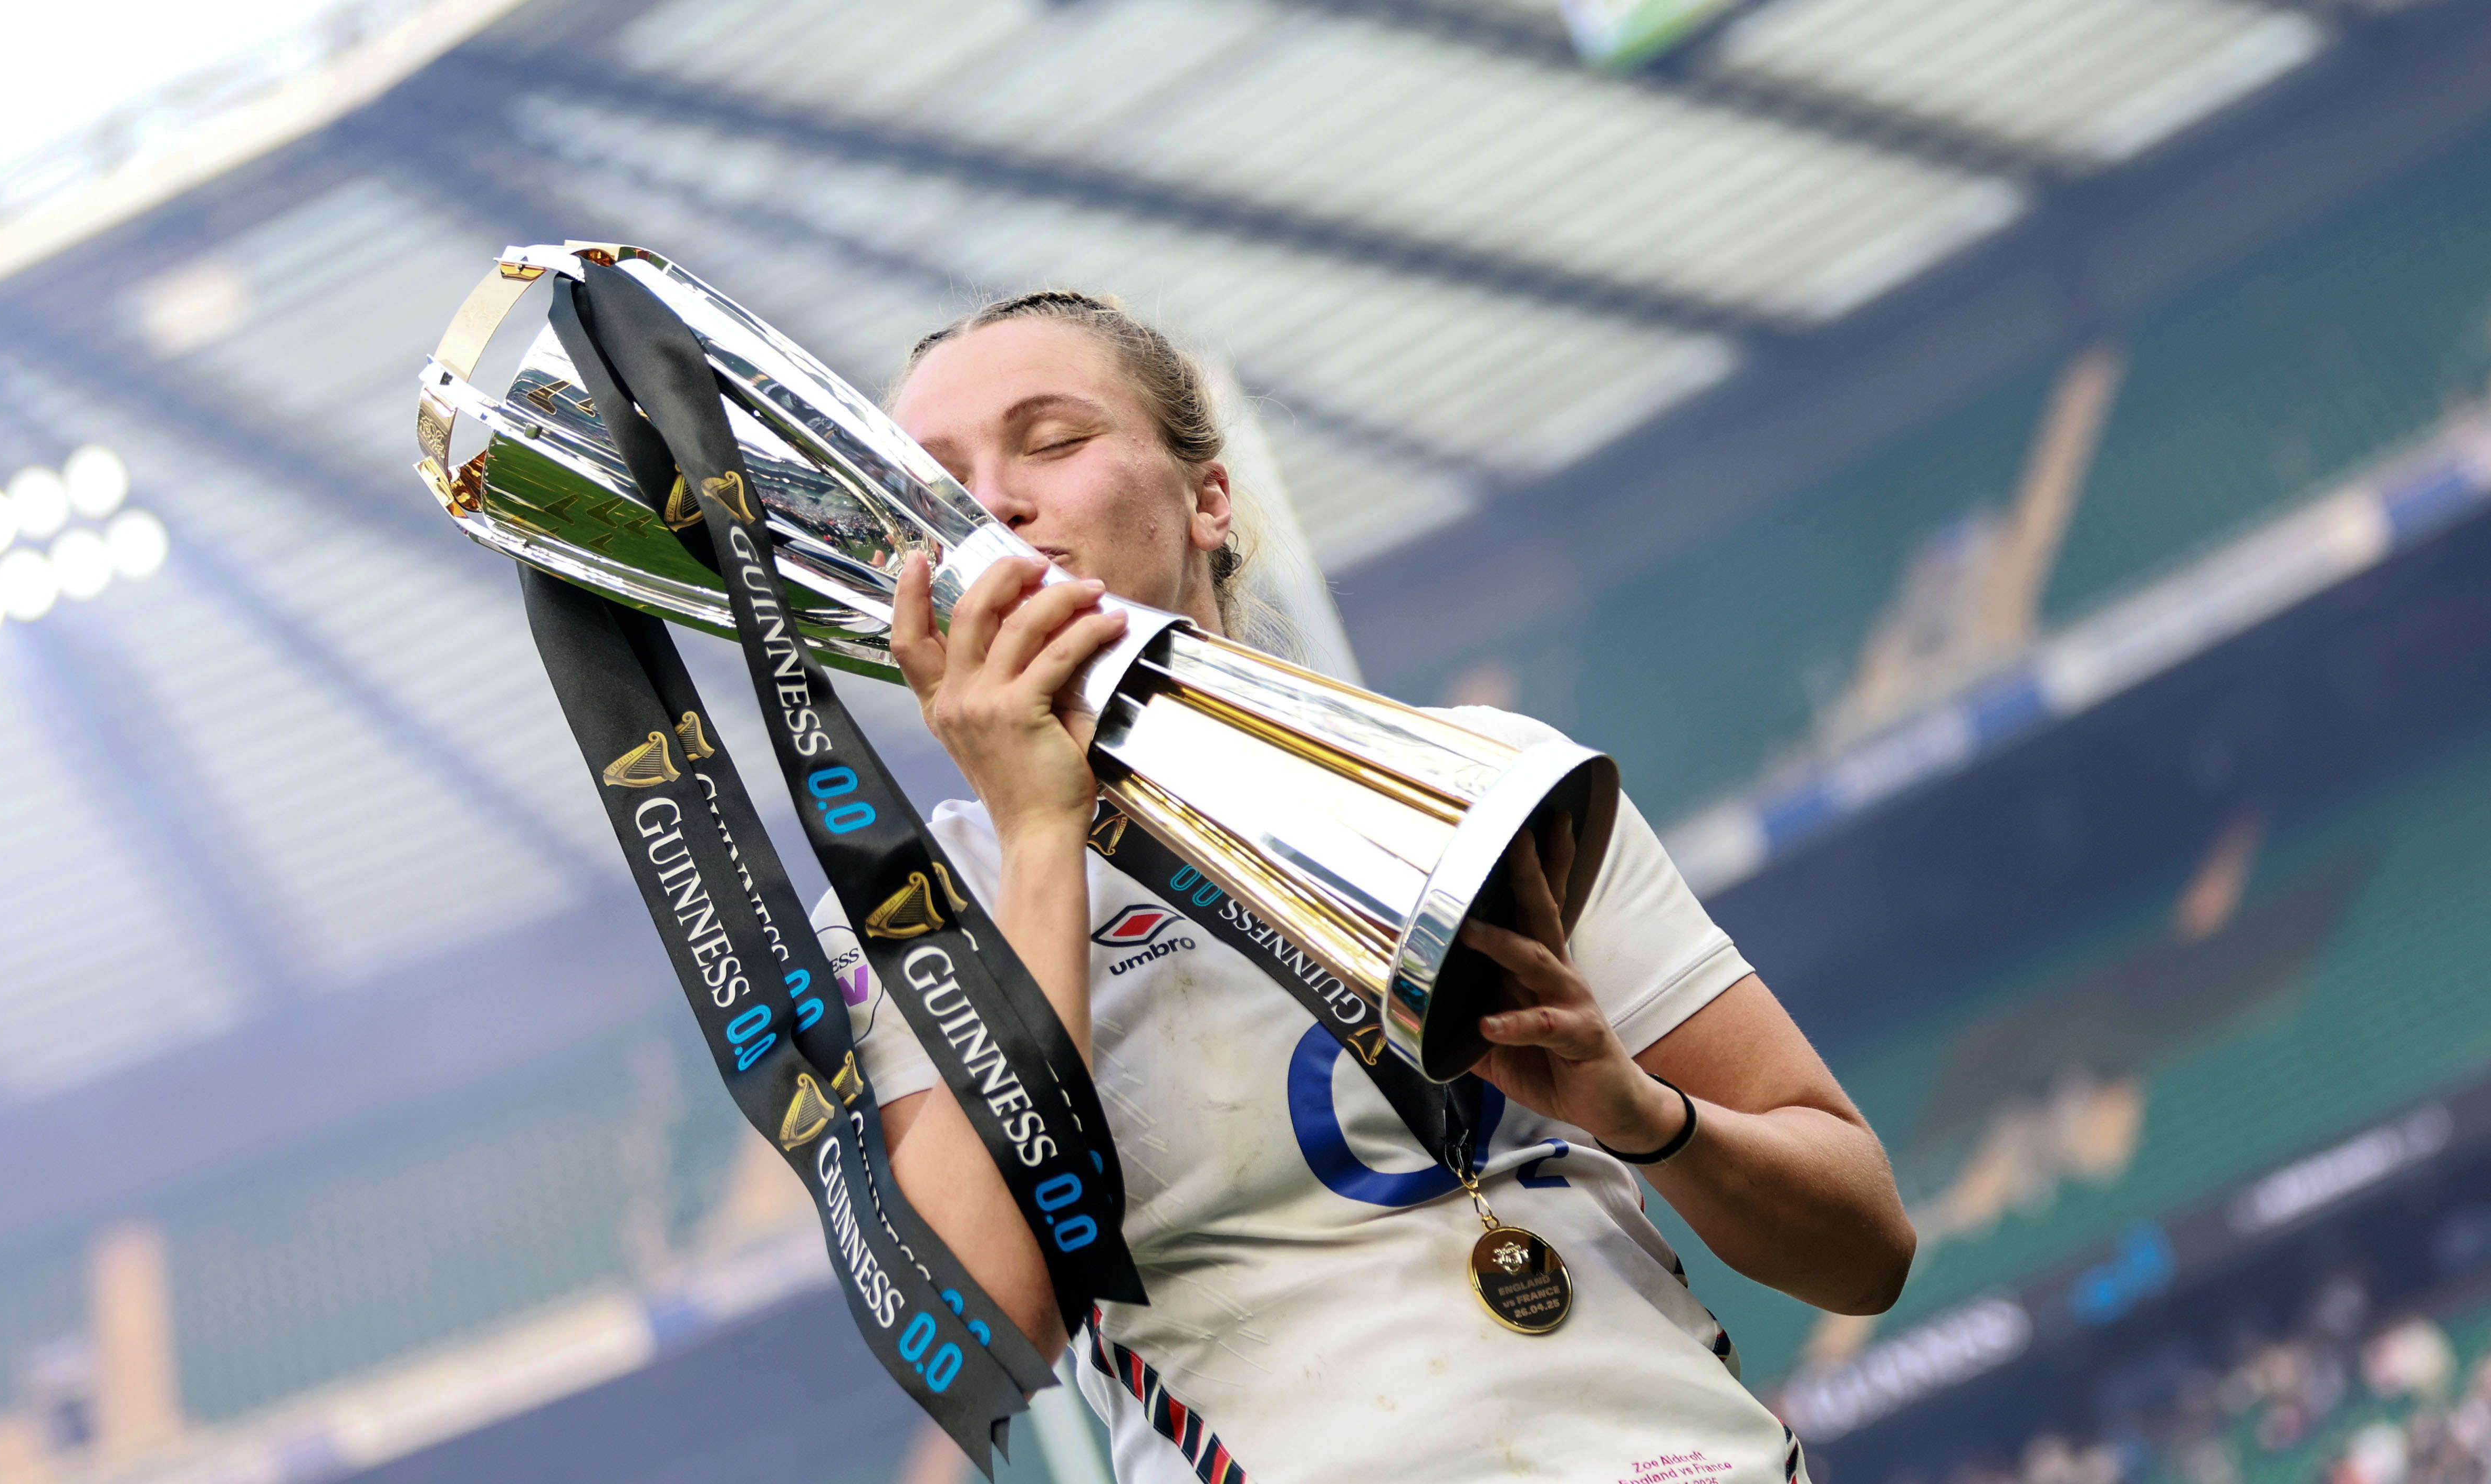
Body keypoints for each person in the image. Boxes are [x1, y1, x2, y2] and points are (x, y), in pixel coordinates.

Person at [809, 289, 1915, 1484]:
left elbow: (1867, 1253)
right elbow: (980, 1337)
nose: (994, 500)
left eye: (1055, 440)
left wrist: (1640, 1112)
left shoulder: (1481, 782)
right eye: (937, 483)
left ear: (1208, 499)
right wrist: (1037, 832)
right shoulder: (911, 911)